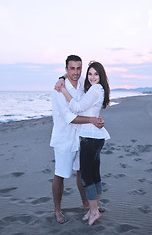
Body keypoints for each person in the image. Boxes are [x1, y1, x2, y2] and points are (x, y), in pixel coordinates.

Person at [50, 55, 104, 224]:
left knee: (82, 172)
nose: (76, 72)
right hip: (64, 138)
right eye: (72, 68)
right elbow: (70, 116)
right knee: (60, 174)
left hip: (80, 136)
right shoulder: (59, 90)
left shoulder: (82, 83)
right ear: (66, 69)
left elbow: (87, 106)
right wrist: (92, 120)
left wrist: (96, 119)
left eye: (78, 68)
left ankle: (87, 205)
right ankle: (57, 210)